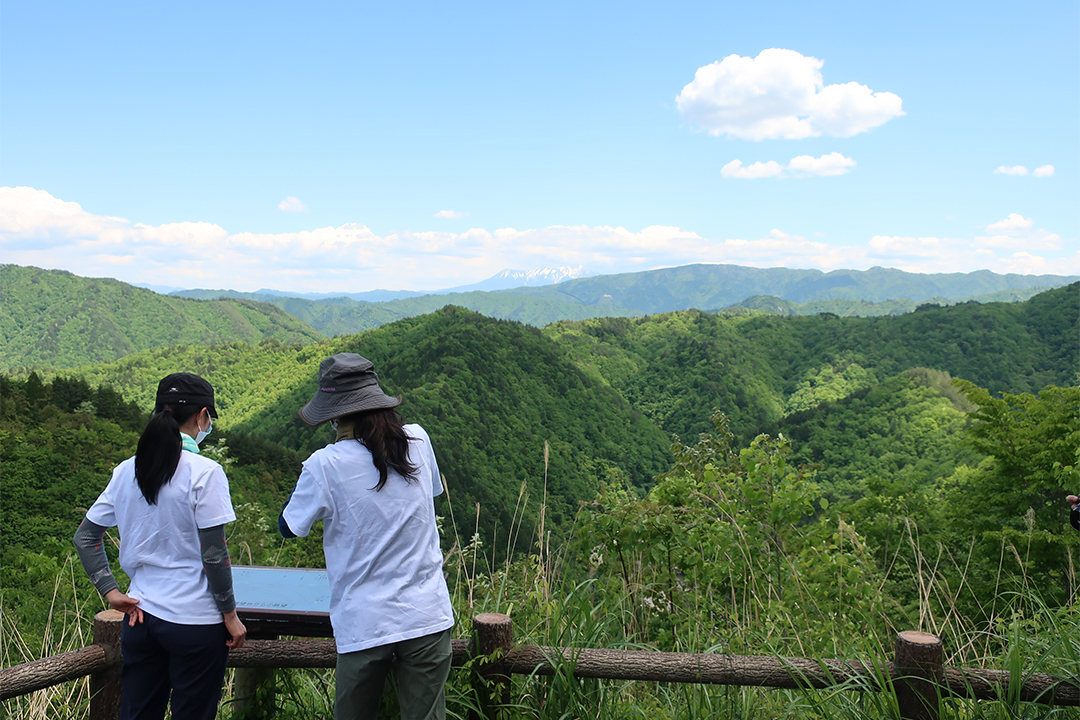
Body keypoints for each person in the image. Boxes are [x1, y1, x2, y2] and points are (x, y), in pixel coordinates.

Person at [279, 353, 454, 720]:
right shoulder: (418, 441)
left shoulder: (324, 465)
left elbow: (289, 527)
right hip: (427, 613)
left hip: (364, 622)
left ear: (335, 413)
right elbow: (430, 493)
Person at [74, 372, 246, 720]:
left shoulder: (127, 470)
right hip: (195, 623)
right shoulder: (205, 473)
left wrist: (110, 591)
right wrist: (230, 616)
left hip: (141, 617)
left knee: (137, 713)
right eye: (208, 416)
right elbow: (214, 554)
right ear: (201, 416)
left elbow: (86, 537)